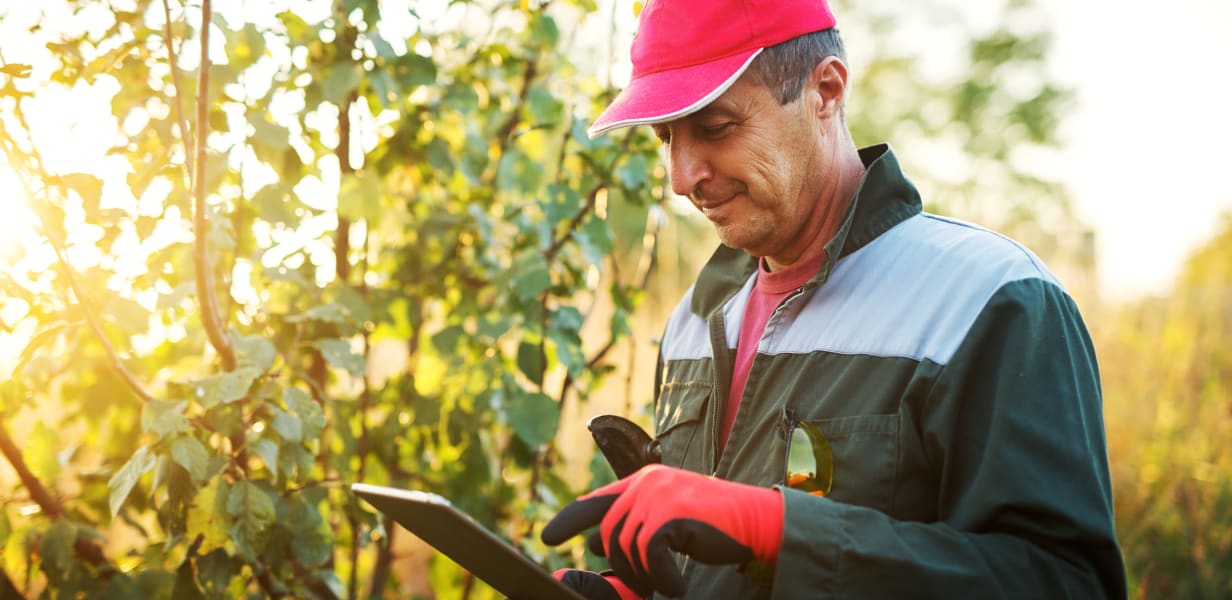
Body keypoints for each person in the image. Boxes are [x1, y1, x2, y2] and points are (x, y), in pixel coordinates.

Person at [540, 0, 1126, 597]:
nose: (681, 176)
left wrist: (776, 531)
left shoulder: (989, 301)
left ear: (825, 90)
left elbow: (1065, 582)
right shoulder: (694, 315)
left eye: (715, 127)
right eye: (666, 137)